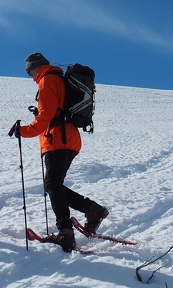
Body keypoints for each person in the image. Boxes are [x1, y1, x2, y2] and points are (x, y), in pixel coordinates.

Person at [10, 53, 108, 252]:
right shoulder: (58, 79)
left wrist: (23, 131)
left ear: (36, 68)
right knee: (54, 185)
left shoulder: (47, 81)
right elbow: (55, 111)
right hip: (68, 138)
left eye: (29, 72)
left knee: (52, 184)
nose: (31, 77)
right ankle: (92, 210)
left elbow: (45, 118)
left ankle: (66, 232)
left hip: (58, 139)